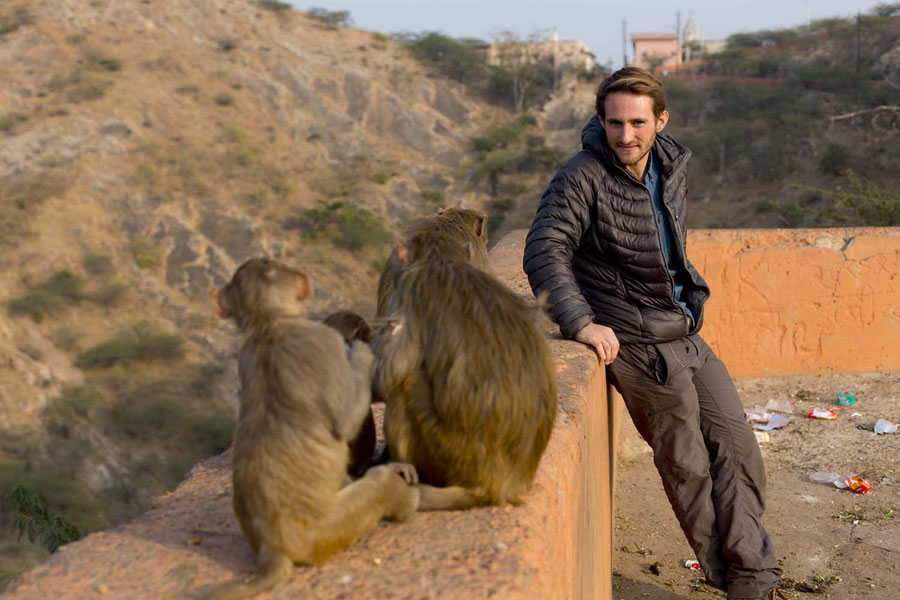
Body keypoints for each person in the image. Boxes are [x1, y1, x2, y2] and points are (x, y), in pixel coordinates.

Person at [523, 67, 790, 600]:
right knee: (688, 466)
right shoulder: (581, 175)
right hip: (638, 345)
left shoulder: (671, 165)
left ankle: (754, 574)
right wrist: (580, 322)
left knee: (739, 453)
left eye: (638, 123)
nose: (626, 135)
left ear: (660, 120)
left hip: (685, 330)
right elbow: (543, 248)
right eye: (615, 123)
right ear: (601, 121)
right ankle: (738, 583)